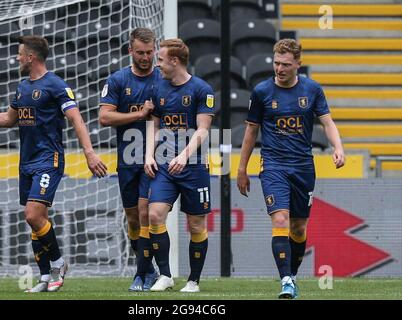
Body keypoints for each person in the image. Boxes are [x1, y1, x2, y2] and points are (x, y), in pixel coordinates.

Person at [0, 35, 107, 293]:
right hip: (26, 163)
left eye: (19, 54)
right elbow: (7, 119)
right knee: (36, 220)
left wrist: (89, 153)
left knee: (32, 214)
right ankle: (45, 277)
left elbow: (76, 119)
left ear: (31, 57)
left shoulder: (56, 85)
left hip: (49, 160)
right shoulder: (22, 88)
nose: (16, 58)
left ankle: (59, 264)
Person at [237, 38, 345, 299]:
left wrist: (337, 147)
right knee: (280, 220)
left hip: (303, 166)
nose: (279, 69)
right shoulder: (262, 92)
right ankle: (286, 280)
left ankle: (292, 276)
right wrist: (242, 168)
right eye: (276, 63)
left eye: (285, 64)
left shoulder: (312, 89)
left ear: (298, 63)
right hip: (273, 165)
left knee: (298, 228)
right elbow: (251, 131)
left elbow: (327, 123)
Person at [144, 38, 215, 293]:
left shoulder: (202, 89)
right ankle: (165, 275)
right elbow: (154, 123)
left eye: (161, 59)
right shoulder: (157, 87)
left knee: (196, 225)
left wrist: (184, 155)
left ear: (175, 61)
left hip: (193, 166)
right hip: (164, 164)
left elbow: (203, 129)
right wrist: (149, 155)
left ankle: (193, 281)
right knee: (154, 215)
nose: (157, 64)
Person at [99, 28, 159, 292]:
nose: (145, 57)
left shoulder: (163, 79)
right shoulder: (117, 80)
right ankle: (149, 270)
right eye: (140, 53)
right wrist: (139, 115)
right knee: (133, 219)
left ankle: (142, 274)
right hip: (127, 158)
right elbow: (104, 117)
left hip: (156, 160)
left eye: (149, 52)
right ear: (130, 51)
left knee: (146, 214)